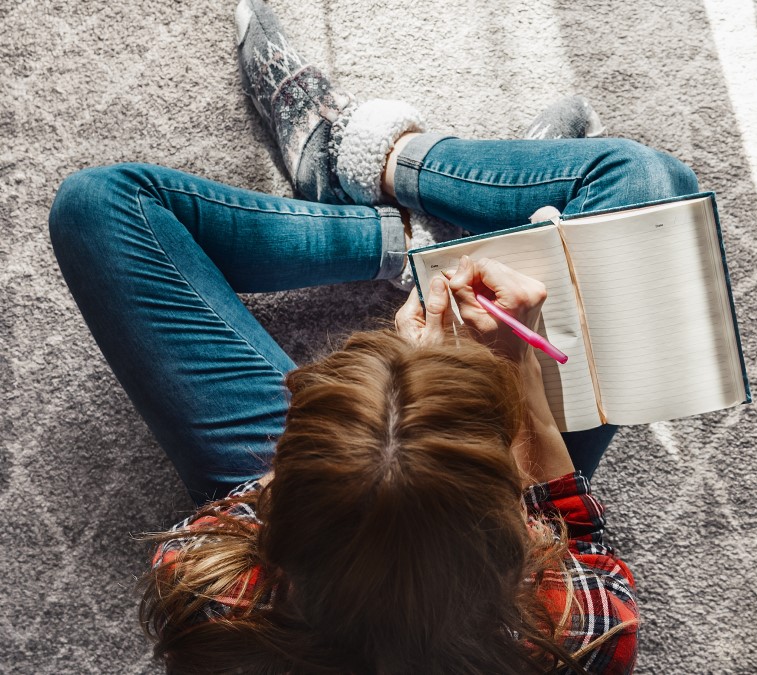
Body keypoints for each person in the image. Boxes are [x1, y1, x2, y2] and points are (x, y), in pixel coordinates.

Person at [47, 0, 698, 673]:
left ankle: (380, 207)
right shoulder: (576, 634)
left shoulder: (211, 595)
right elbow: (579, 541)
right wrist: (523, 394)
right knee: (654, 192)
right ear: (512, 530)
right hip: (407, 509)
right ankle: (403, 164)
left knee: (101, 206)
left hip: (372, 511)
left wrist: (360, 461)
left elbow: (284, 512)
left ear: (280, 526)